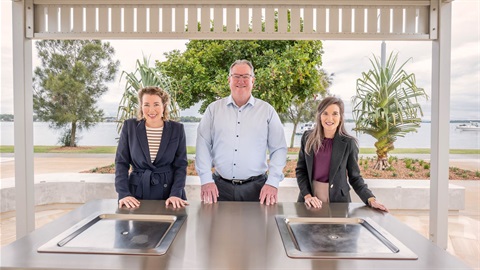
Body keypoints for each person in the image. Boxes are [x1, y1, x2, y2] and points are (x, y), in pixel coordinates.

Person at [196, 59, 287, 205]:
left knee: (258, 229)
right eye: (236, 76)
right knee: (217, 228)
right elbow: (203, 145)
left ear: (253, 81)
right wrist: (206, 179)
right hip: (219, 188)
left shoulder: (267, 111)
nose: (241, 81)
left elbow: (279, 149)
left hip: (258, 189)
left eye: (245, 76)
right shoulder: (213, 110)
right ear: (229, 80)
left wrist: (273, 182)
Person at [296, 96, 388, 211]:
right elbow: (301, 170)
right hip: (310, 198)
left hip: (338, 200)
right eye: (325, 113)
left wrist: (371, 199)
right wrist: (307, 196)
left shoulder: (349, 143)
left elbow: (355, 177)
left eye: (335, 113)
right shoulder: (307, 137)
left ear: (341, 117)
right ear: (319, 116)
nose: (330, 118)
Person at [115, 86, 189, 209]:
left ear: (164, 106)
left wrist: (176, 194)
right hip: (135, 196)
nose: (151, 110)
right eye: (146, 105)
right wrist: (123, 193)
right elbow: (121, 163)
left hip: (170, 196)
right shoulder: (130, 126)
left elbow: (181, 165)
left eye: (156, 104)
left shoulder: (177, 129)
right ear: (141, 106)